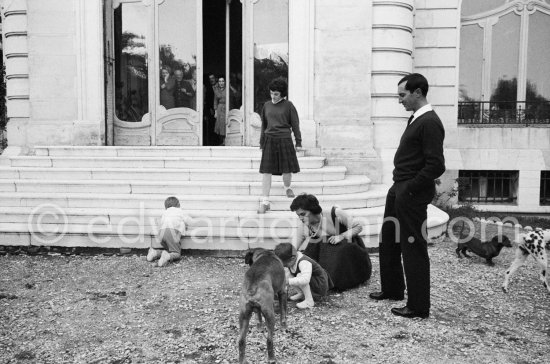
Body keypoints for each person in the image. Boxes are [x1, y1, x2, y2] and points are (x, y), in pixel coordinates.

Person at [370, 73, 445, 319]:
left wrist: (411, 187)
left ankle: (419, 306)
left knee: (413, 246)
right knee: (389, 239)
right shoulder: (416, 119)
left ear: (418, 92)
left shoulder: (430, 122)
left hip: (410, 192)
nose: (400, 100)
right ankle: (392, 289)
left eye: (402, 95)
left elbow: (436, 165)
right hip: (399, 187)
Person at [290, 194, 372, 291]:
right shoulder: (305, 225)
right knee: (309, 252)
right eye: (298, 215)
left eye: (303, 214)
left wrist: (341, 236)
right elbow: (292, 247)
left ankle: (335, 281)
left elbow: (359, 226)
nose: (300, 218)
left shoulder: (335, 213)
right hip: (327, 255)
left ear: (313, 210)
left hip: (347, 252)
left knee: (338, 250)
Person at [258, 78, 302, 214]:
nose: (273, 96)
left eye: (276, 94)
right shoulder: (266, 105)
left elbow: (295, 124)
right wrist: (262, 142)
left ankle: (287, 187)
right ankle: (265, 201)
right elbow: (264, 125)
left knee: (286, 168)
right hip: (270, 140)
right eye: (271, 93)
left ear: (282, 94)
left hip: (284, 139)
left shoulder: (289, 106)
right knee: (266, 171)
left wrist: (298, 141)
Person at [274, 242, 332, 309]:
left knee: (299, 276)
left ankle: (309, 302)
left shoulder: (304, 262)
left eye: (285, 264)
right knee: (289, 274)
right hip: (311, 282)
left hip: (319, 284)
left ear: (292, 258)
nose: (284, 266)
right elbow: (286, 275)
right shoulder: (292, 261)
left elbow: (305, 279)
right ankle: (302, 294)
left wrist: (288, 281)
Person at [147, 196, 193, 267]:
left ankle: (155, 253)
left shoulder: (165, 212)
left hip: (161, 233)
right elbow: (188, 221)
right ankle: (167, 257)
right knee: (176, 253)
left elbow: (160, 222)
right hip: (172, 233)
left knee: (169, 250)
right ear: (178, 205)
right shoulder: (180, 211)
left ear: (166, 207)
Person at [213, 76, 227, 145]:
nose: (221, 83)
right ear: (218, 83)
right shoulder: (216, 90)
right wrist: (215, 112)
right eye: (220, 81)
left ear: (225, 82)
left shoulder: (227, 89)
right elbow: (215, 101)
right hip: (219, 108)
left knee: (225, 124)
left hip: (226, 108)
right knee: (219, 125)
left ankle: (225, 141)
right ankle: (221, 141)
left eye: (222, 81)